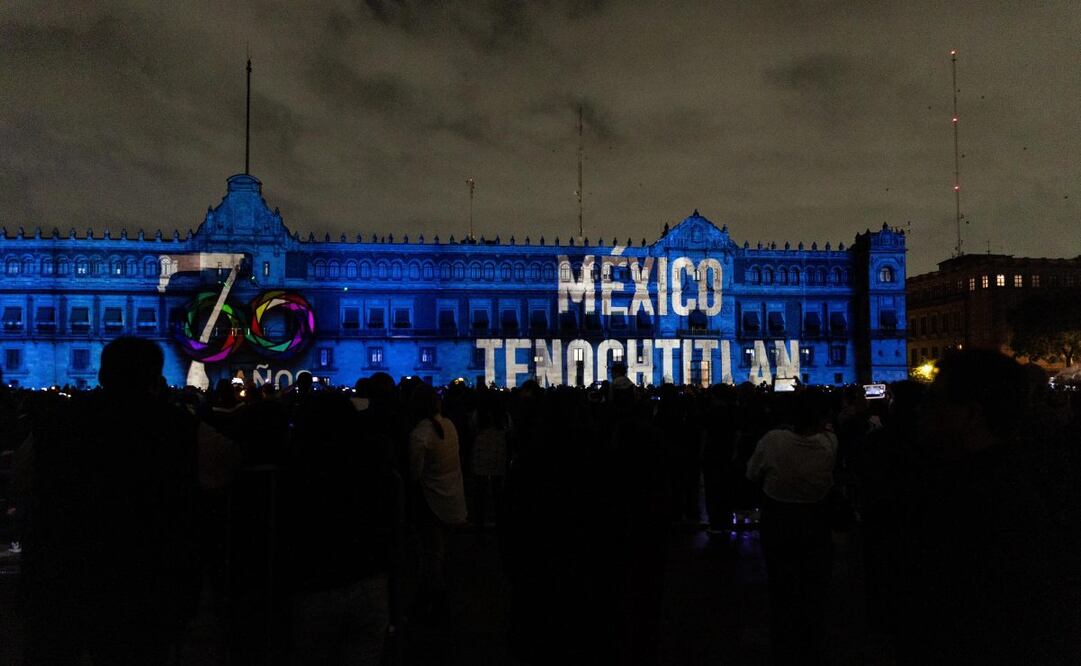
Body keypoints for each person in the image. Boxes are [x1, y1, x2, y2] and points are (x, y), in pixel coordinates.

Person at [21, 337, 201, 664]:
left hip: (71, 566)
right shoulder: (177, 425)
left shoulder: (59, 421)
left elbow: (26, 479)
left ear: (103, 375)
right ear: (154, 377)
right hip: (147, 572)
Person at [746, 391, 837, 666]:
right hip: (816, 523)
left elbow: (752, 473)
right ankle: (813, 643)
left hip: (778, 521)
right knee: (814, 588)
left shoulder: (773, 440)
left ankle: (783, 644)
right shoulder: (829, 442)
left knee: (780, 585)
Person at [407, 383, 467, 622]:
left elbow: (414, 473)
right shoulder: (449, 426)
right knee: (439, 556)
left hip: (431, 503)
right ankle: (425, 605)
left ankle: (438, 607)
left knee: (431, 556)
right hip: (452, 499)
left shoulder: (419, 435)